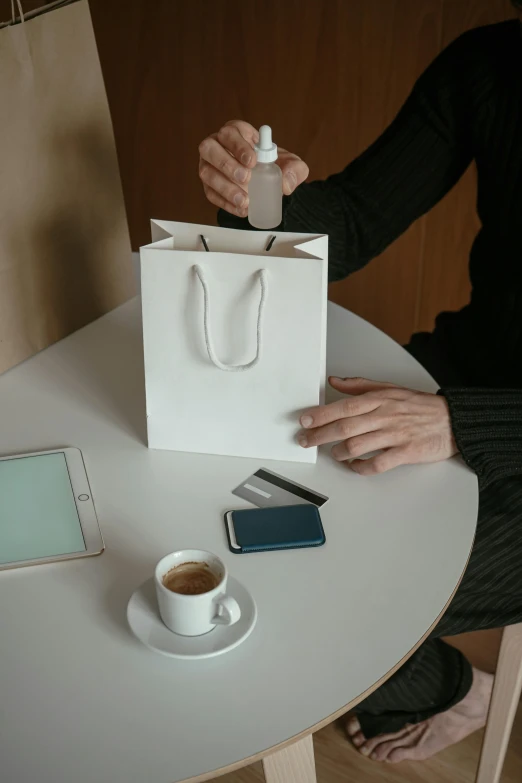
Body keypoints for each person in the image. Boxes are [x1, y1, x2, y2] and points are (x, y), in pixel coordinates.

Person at [197, 9, 522, 764]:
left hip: (472, 413)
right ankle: (448, 680)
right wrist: (259, 199)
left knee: (305, 595)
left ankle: (449, 686)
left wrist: (460, 423)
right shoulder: (492, 63)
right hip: (455, 380)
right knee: (229, 524)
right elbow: (353, 218)